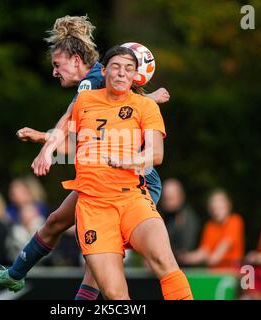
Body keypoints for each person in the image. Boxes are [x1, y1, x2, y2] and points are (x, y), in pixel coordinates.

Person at [0, 15, 170, 298]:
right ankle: (14, 274)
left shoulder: (91, 84)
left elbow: (71, 118)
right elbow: (89, 132)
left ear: (76, 60)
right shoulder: (99, 79)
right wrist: (45, 138)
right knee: (58, 224)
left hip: (133, 181)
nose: (54, 72)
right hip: (100, 180)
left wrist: (46, 148)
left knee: (101, 257)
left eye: (57, 65)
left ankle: (23, 278)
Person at [60, 45, 192, 299]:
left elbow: (156, 154)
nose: (122, 73)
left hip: (132, 197)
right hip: (94, 207)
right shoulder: (85, 101)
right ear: (104, 71)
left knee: (165, 262)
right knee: (114, 293)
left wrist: (126, 161)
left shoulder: (145, 106)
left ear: (135, 76)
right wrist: (44, 143)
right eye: (116, 67)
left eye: (129, 69)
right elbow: (70, 138)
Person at [178, 189, 244, 269]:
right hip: (214, 272)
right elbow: (204, 251)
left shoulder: (235, 221)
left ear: (228, 205)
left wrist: (211, 257)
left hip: (231, 271)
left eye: (220, 207)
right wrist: (186, 258)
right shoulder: (210, 226)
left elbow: (224, 245)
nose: (216, 212)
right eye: (214, 208)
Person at [160, 178, 200, 254]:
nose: (167, 203)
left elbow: (186, 249)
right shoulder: (162, 216)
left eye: (171, 198)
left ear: (181, 197)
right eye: (165, 198)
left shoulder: (188, 219)